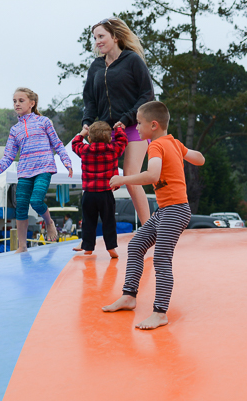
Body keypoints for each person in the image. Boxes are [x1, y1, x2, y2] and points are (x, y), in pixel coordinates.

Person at [102, 102, 205, 330]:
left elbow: (152, 175)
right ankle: (129, 296)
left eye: (139, 123)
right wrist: (190, 155)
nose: (136, 128)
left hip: (175, 210)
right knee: (136, 245)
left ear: (154, 125)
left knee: (161, 258)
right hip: (166, 210)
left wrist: (122, 179)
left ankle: (160, 312)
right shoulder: (174, 143)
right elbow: (199, 159)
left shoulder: (156, 146)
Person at [82, 17, 155, 227]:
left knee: (130, 177)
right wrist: (87, 122)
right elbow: (90, 100)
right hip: (105, 131)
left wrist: (126, 119)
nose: (97, 41)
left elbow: (147, 94)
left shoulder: (132, 60)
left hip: (134, 127)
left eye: (101, 36)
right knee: (97, 184)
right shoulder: (95, 67)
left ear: (115, 36)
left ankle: (149, 230)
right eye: (95, 38)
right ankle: (90, 236)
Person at [0, 88, 73, 253]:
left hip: (44, 167)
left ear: (32, 103)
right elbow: (8, 157)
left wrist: (66, 162)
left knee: (36, 200)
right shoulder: (15, 130)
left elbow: (57, 144)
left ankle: (49, 222)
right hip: (25, 171)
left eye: (21, 100)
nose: (17, 104)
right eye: (14, 101)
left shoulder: (44, 122)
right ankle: (22, 246)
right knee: (21, 207)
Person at [71, 120, 128, 258]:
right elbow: (123, 141)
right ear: (109, 138)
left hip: (89, 194)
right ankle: (111, 247)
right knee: (109, 221)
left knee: (88, 221)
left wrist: (82, 133)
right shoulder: (113, 149)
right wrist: (119, 129)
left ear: (89, 138)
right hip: (106, 193)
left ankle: (88, 247)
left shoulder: (85, 150)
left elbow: (75, 144)